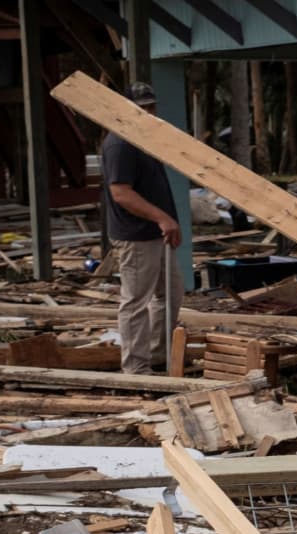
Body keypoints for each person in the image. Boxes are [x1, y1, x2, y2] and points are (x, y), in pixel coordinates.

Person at [101, 82, 184, 375]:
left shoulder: (143, 139)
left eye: (151, 106)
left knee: (170, 294)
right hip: (136, 235)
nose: (148, 111)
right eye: (142, 107)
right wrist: (162, 218)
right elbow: (121, 192)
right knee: (136, 301)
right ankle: (136, 367)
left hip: (154, 234)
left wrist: (166, 220)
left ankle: (158, 355)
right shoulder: (120, 143)